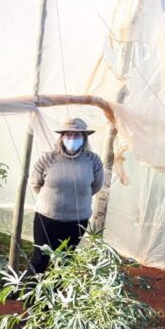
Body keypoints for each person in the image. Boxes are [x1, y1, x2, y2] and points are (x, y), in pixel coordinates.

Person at [29, 117, 105, 274]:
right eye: (68, 135)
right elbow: (35, 183)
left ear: (84, 138)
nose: (72, 139)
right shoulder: (48, 159)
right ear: (61, 137)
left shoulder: (93, 160)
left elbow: (96, 186)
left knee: (65, 259)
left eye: (76, 135)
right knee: (40, 258)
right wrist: (54, 200)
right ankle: (28, 295)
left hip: (76, 220)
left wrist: (76, 198)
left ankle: (56, 296)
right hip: (46, 218)